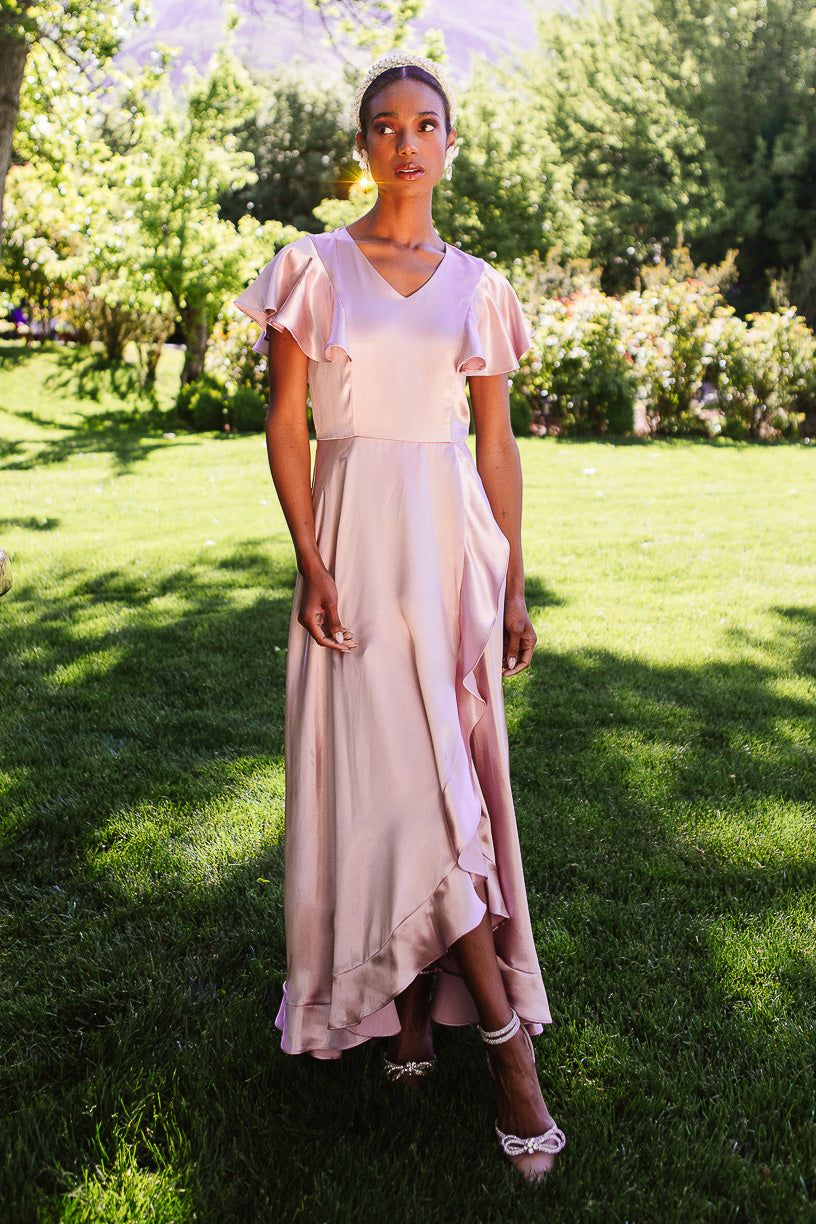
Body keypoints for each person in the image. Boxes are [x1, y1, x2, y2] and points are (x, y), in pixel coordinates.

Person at [235, 51, 565, 1182]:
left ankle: (430, 1013)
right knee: (392, 788)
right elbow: (286, 423)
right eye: (386, 125)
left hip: (447, 556)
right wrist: (311, 560)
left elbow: (496, 445)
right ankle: (505, 1049)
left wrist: (511, 582)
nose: (407, 143)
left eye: (427, 125)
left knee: (442, 787)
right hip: (352, 553)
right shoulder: (311, 268)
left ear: (450, 146)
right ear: (363, 144)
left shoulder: (479, 287)